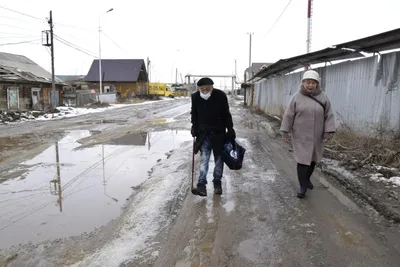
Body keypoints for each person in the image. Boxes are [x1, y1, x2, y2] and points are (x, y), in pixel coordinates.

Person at [280, 70, 336, 198]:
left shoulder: (323, 97)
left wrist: (328, 133)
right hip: (300, 135)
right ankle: (302, 186)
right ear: (303, 83)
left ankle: (307, 178)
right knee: (302, 161)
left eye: (313, 83)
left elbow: (329, 115)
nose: (310, 85)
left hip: (317, 135)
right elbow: (288, 115)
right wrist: (285, 132)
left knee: (312, 160)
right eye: (308, 82)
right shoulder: (296, 97)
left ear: (317, 84)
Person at [190, 77, 236, 197]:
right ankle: (201, 185)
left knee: (219, 159)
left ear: (212, 87)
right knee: (204, 158)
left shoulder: (220, 95)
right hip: (203, 133)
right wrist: (194, 126)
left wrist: (230, 128)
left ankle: (217, 183)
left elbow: (226, 113)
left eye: (207, 89)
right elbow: (194, 113)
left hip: (218, 133)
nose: (204, 91)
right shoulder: (195, 97)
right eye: (202, 89)